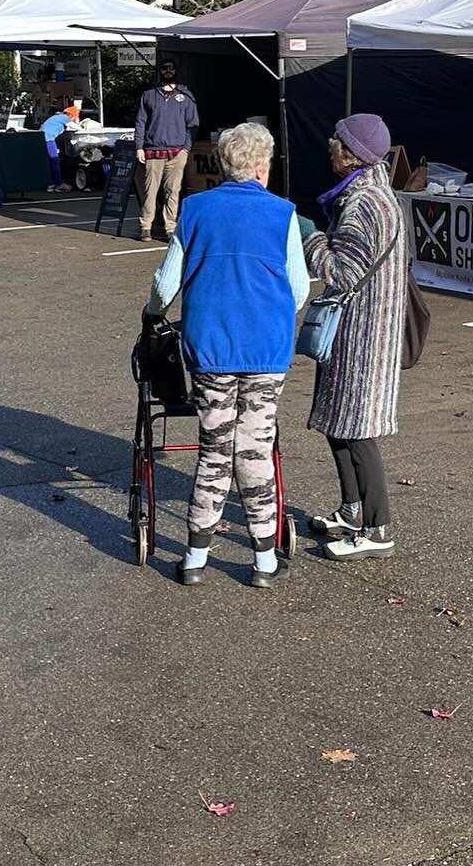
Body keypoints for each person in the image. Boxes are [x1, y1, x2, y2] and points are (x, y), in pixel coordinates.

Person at [146, 121, 310, 588]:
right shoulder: (283, 215)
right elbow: (298, 289)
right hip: (266, 349)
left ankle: (195, 555)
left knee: (214, 449)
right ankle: (262, 559)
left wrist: (152, 312)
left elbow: (165, 285)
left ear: (223, 163)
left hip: (211, 348)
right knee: (255, 449)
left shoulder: (196, 210)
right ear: (262, 165)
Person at [300, 113, 409, 561]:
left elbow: (342, 272)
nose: (330, 145)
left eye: (337, 141)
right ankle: (351, 509)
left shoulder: (365, 204)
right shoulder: (368, 194)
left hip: (363, 334)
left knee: (359, 430)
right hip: (359, 330)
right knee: (338, 423)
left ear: (353, 154)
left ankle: (378, 529)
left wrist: (307, 237)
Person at [133, 60, 198, 242]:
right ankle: (146, 226)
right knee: (150, 191)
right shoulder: (148, 95)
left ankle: (170, 227)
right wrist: (139, 146)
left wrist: (186, 148)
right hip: (153, 150)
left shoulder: (185, 96)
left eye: (171, 68)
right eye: (164, 68)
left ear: (176, 71)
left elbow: (193, 124)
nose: (168, 71)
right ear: (160, 71)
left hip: (177, 152)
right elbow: (140, 122)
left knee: (173, 190)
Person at [40, 103, 80, 192]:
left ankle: (50, 184)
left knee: (48, 162)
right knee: (55, 161)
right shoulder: (65, 118)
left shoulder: (56, 117)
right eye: (74, 117)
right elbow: (76, 127)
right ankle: (58, 184)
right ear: (71, 115)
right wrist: (82, 126)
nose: (74, 119)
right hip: (48, 139)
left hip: (41, 138)